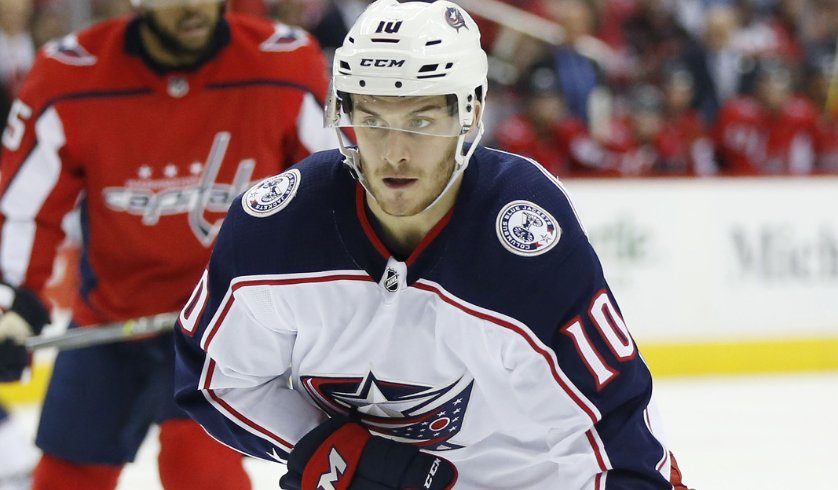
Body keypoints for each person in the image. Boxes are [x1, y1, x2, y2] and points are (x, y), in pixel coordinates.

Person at [173, 1, 690, 488]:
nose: (395, 153)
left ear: (470, 111)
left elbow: (615, 437)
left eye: (422, 120)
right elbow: (214, 379)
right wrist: (335, 451)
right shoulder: (277, 228)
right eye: (373, 119)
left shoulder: (524, 240)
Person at [0, 0, 337, 488]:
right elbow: (27, 207)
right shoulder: (69, 74)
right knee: (65, 475)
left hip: (223, 326)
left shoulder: (284, 63)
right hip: (111, 314)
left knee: (199, 469)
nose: (195, 7)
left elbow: (332, 188)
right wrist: (17, 304)